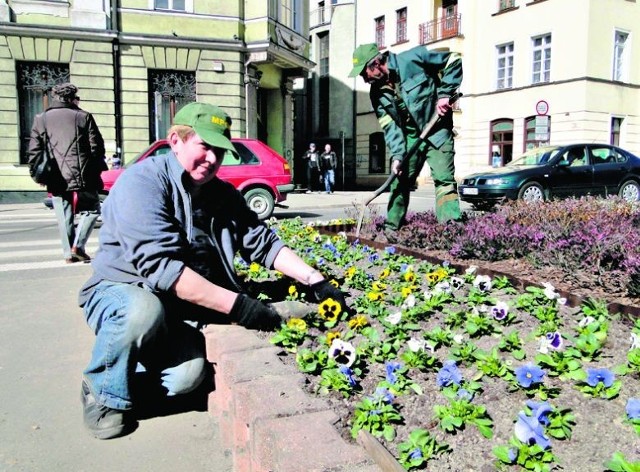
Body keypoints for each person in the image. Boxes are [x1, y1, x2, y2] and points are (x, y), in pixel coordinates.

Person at [77, 102, 350, 440]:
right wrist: (242, 307)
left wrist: (316, 280)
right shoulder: (142, 183)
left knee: (188, 379)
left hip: (175, 305)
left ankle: (128, 376)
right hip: (121, 291)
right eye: (204, 147)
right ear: (175, 140)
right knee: (141, 312)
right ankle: (103, 391)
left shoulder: (220, 193)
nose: (212, 159)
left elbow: (261, 241)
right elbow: (162, 268)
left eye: (219, 151)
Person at [348, 43, 463, 243]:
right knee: (399, 179)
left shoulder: (413, 58)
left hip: (437, 130)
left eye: (364, 73)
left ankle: (451, 231)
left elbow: (453, 59)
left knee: (444, 181)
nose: (364, 79)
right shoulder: (377, 94)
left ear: (375, 64)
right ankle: (391, 229)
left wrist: (445, 94)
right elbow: (390, 127)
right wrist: (397, 156)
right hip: (411, 137)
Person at [27, 83, 107, 263]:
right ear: (72, 98)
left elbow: (34, 150)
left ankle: (68, 254)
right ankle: (78, 246)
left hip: (55, 174)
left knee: (63, 214)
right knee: (92, 209)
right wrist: (94, 169)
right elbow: (97, 147)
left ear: (55, 97)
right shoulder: (83, 117)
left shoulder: (42, 119)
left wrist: (38, 174)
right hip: (84, 173)